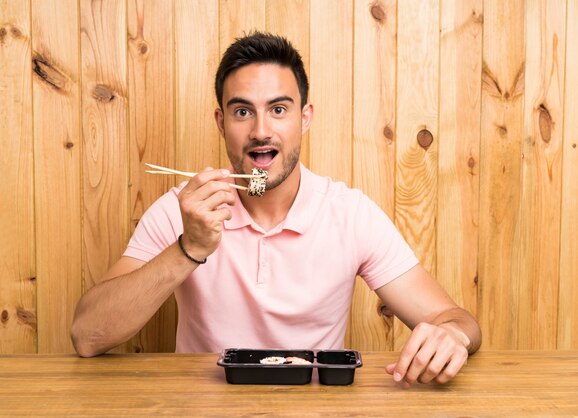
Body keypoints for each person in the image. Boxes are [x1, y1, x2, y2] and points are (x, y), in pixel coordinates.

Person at [71, 31, 481, 388]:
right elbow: (88, 335)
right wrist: (188, 248)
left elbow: (455, 319)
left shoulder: (349, 214)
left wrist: (452, 337)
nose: (261, 130)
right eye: (242, 111)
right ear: (221, 122)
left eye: (279, 110)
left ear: (305, 119)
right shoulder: (184, 209)